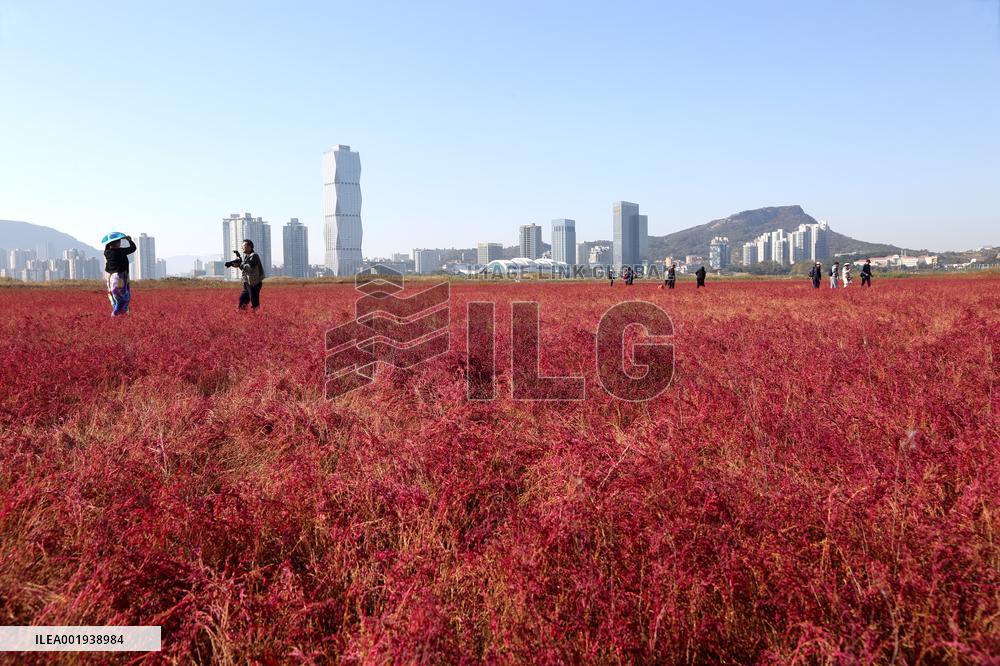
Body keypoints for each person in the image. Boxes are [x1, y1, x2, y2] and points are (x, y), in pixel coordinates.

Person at [102, 232, 136, 316]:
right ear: (117, 243)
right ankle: (115, 314)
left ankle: (119, 315)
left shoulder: (107, 252)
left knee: (115, 297)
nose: (120, 243)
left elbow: (107, 247)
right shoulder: (120, 251)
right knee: (123, 298)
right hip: (119, 277)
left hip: (110, 277)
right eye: (119, 242)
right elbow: (133, 248)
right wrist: (129, 240)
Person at [226, 239, 265, 310]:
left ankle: (257, 317)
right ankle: (243, 316)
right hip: (247, 283)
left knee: (254, 302)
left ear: (250, 247)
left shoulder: (254, 256)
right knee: (243, 299)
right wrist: (238, 265)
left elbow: (250, 267)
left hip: (254, 283)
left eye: (244, 246)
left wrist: (240, 264)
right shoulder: (247, 257)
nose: (242, 247)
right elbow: (245, 269)